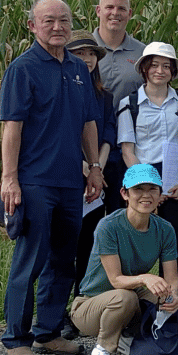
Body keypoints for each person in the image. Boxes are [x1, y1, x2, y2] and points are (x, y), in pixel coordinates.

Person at [0, 0, 104, 355]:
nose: (57, 27)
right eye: (48, 21)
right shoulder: (23, 69)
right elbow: (12, 126)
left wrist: (94, 166)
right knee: (30, 260)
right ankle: (16, 339)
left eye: (63, 20)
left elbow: (89, 122)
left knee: (63, 259)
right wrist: (9, 179)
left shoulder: (78, 68)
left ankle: (48, 332)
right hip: (34, 182)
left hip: (70, 183)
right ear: (32, 26)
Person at [70, 164, 178, 355]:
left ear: (160, 195)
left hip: (131, 294)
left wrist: (172, 295)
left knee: (175, 300)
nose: (146, 196)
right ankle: (102, 349)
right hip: (90, 305)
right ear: (125, 194)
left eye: (152, 190)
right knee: (125, 298)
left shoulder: (165, 229)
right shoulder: (108, 226)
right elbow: (116, 280)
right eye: (138, 190)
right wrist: (146, 278)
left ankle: (136, 338)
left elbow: (172, 279)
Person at [117, 42, 178, 280]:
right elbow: (127, 151)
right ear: (144, 69)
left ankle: (170, 296)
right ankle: (133, 294)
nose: (160, 71)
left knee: (172, 240)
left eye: (166, 66)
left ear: (173, 72)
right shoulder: (129, 104)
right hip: (141, 174)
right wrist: (149, 187)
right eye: (154, 66)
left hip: (174, 177)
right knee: (135, 240)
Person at [62, 30, 117, 339]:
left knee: (88, 248)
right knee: (64, 249)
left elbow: (107, 132)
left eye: (91, 54)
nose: (86, 59)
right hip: (70, 173)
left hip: (97, 180)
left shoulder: (104, 95)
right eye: (79, 53)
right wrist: (83, 165)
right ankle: (56, 313)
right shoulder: (63, 90)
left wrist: (97, 166)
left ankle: (81, 309)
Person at [93, 0, 147, 213]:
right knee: (90, 214)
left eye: (121, 8)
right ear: (98, 11)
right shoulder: (83, 50)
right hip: (90, 145)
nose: (115, 13)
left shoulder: (143, 53)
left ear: (130, 13)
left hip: (130, 146)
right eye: (109, 7)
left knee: (123, 211)